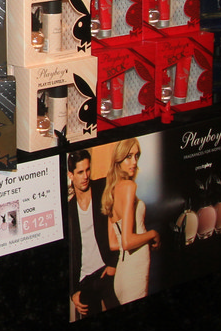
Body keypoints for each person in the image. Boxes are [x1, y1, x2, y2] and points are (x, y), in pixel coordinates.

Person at [104, 137, 158, 306]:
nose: (134, 162)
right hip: (134, 271)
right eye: (128, 156)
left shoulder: (111, 191)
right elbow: (127, 242)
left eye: (136, 156)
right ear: (118, 159)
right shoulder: (128, 187)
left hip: (122, 274)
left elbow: (114, 244)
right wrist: (152, 234)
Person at [67, 149, 117, 319]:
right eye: (80, 172)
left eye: (87, 170)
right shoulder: (69, 209)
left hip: (106, 270)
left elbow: (118, 224)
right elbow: (70, 253)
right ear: (71, 175)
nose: (85, 176)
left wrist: (113, 264)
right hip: (85, 280)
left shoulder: (102, 188)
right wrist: (73, 291)